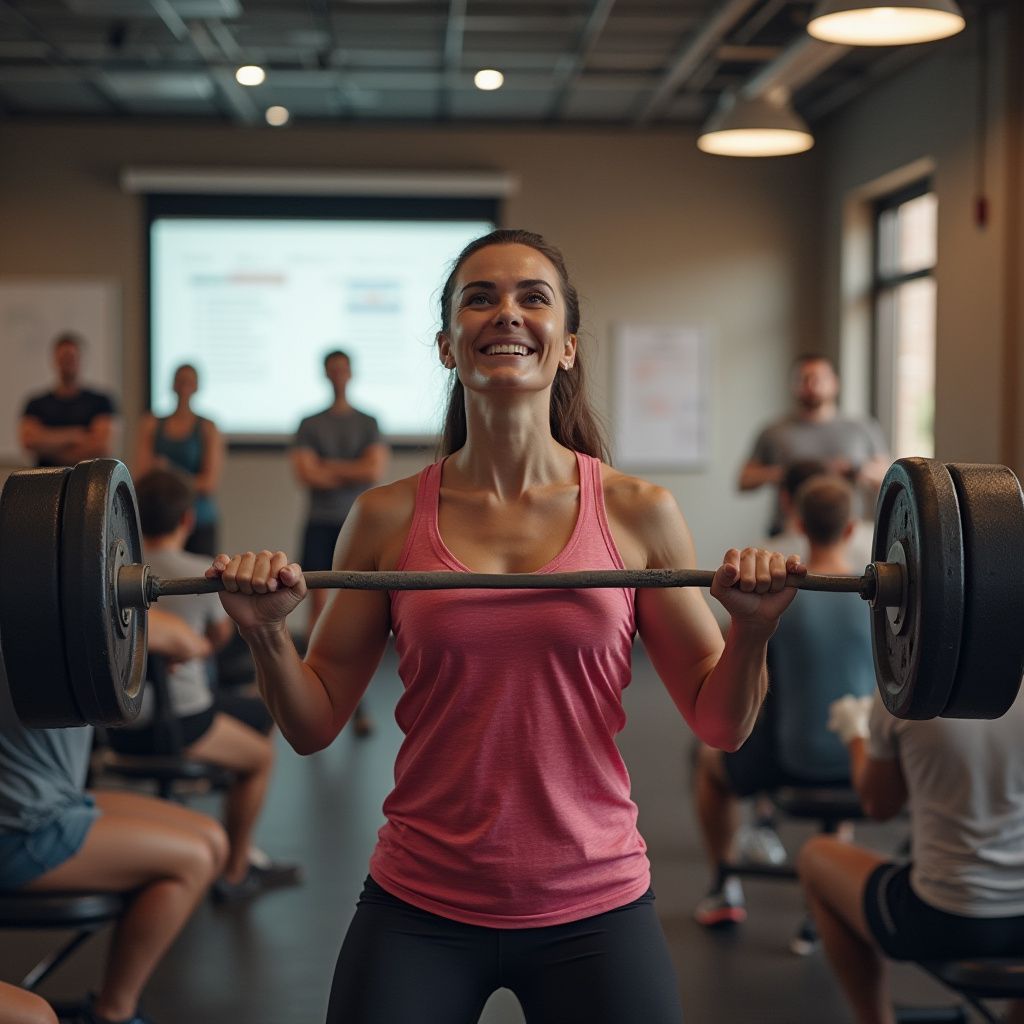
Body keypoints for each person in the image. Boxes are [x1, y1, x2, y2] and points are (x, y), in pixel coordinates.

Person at [207, 228, 805, 1024]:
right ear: (447, 345)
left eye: (533, 296)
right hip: (422, 898)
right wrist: (263, 633)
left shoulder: (637, 513)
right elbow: (314, 723)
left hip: (594, 898)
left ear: (567, 347)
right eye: (479, 298)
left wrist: (753, 633)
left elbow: (721, 723)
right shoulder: (385, 518)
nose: (506, 313)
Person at [0, 607, 229, 1024]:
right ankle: (114, 1014)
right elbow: (182, 637)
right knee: (192, 860)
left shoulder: (50, 601)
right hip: (20, 828)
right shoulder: (41, 604)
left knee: (212, 838)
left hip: (54, 799)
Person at [105, 469, 301, 903]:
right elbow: (218, 641)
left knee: (256, 710)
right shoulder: (202, 574)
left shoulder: (109, 578)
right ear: (187, 520)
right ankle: (236, 870)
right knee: (261, 755)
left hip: (116, 726)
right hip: (181, 721)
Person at [692, 474, 875, 928]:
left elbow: (738, 673)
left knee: (706, 762)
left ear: (797, 522)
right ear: (852, 528)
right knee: (843, 729)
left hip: (790, 762)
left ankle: (723, 885)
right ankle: (826, 904)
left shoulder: (781, 599)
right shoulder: (877, 601)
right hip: (862, 766)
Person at [799, 690, 1024, 1024]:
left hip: (944, 918)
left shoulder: (909, 690)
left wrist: (856, 734)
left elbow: (878, 806)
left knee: (814, 856)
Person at [291, 349, 389, 737]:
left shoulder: (368, 422)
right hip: (319, 524)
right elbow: (306, 474)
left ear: (351, 373)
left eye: (342, 369)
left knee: (358, 614)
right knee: (317, 610)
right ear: (325, 374)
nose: (337, 375)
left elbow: (374, 469)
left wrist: (327, 466)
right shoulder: (309, 422)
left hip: (356, 526)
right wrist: (350, 469)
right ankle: (316, 700)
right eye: (331, 370)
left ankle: (356, 704)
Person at [738, 354, 889, 537]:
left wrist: (855, 469)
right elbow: (744, 480)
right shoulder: (774, 432)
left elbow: (887, 477)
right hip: (790, 533)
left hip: (847, 533)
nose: (811, 385)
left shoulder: (863, 428)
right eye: (804, 379)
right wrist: (788, 472)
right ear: (794, 386)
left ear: (834, 383)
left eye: (818, 378)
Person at [133, 363, 225, 556]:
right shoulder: (151, 424)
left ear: (197, 387)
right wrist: (188, 479)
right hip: (160, 522)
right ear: (172, 385)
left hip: (199, 520)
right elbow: (142, 475)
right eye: (180, 381)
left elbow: (208, 483)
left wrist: (167, 470)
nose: (184, 387)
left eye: (189, 382)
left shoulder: (208, 428)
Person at [19, 332, 117, 468]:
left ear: (81, 359)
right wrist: (75, 436)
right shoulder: (36, 403)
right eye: (63, 358)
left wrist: (48, 444)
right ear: (55, 360)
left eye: (71, 357)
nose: (67, 362)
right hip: (45, 482)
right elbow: (29, 441)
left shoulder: (101, 402)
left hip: (88, 482)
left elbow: (102, 446)